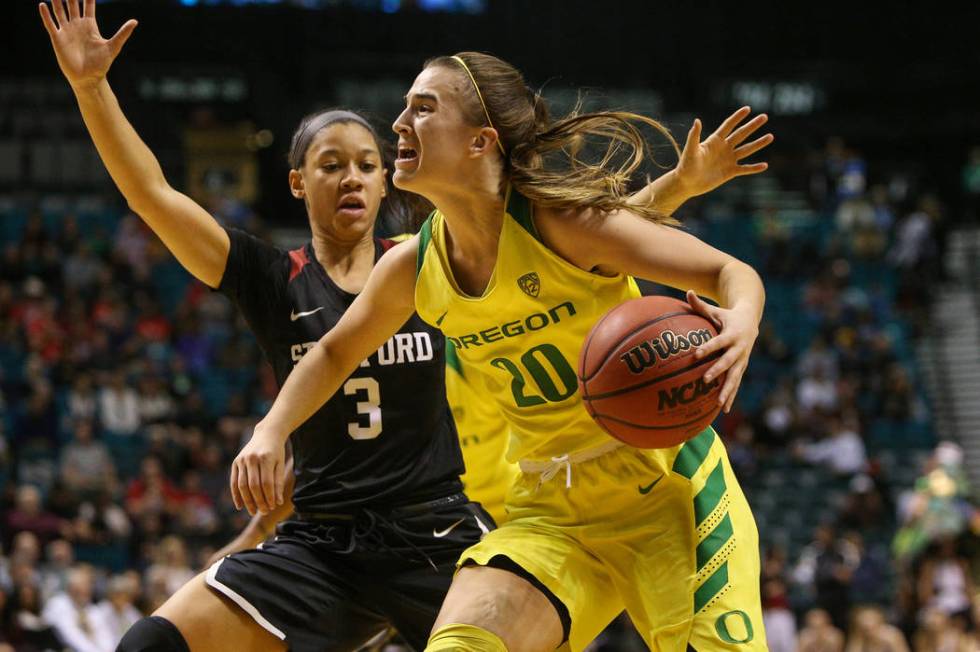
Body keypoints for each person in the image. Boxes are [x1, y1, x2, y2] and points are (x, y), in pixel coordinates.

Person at [39, 4, 771, 650]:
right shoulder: (313, 276)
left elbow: (614, 254)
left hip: (526, 519)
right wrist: (268, 431)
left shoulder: (480, 244)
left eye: (374, 154)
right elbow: (318, 343)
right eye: (334, 163)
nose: (372, 157)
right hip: (415, 530)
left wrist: (718, 280)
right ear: (299, 183)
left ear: (467, 148)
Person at [232, 51, 772, 651]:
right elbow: (333, 354)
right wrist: (269, 431)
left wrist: (741, 320)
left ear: (479, 141)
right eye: (406, 107)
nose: (400, 124)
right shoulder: (412, 265)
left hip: (666, 493)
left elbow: (728, 271)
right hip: (551, 510)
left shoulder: (560, 223)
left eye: (423, 108)